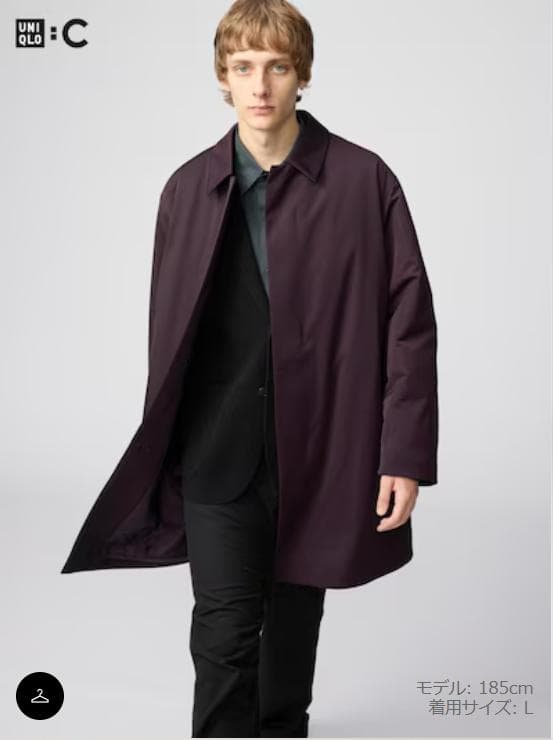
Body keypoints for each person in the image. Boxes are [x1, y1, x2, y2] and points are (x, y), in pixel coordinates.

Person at [61, 0, 439, 736]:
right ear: (222, 77)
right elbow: (168, 332)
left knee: (291, 633)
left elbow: (409, 323)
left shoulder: (364, 181)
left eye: (277, 67)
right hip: (217, 449)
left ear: (302, 75)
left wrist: (403, 454)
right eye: (243, 67)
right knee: (224, 632)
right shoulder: (187, 188)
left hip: (322, 449)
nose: (259, 85)